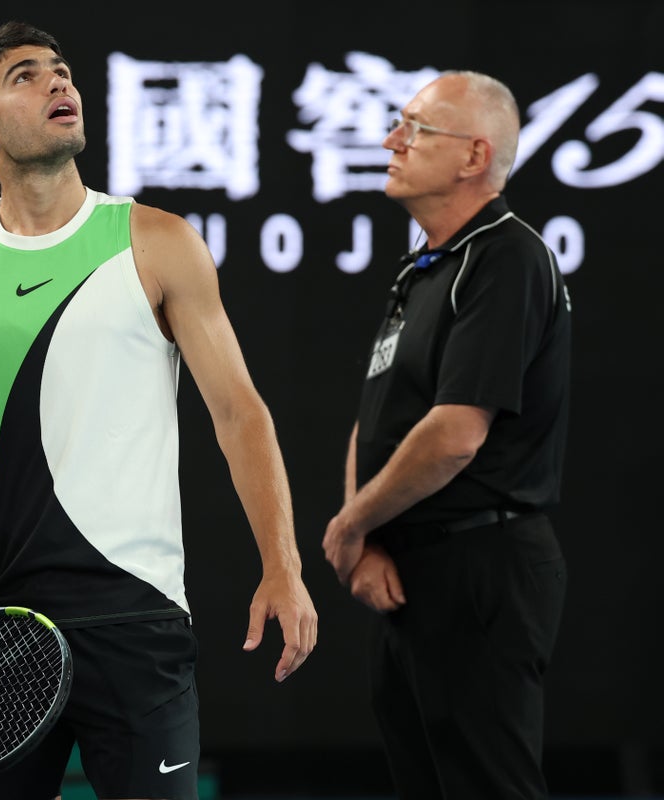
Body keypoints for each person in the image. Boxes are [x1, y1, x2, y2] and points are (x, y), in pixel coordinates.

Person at [0, 20, 317, 800]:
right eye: (25, 75)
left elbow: (239, 413)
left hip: (138, 623)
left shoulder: (158, 243)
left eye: (60, 69)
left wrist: (283, 565)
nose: (58, 81)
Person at [321, 70, 571, 799]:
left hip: (481, 567)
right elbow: (375, 418)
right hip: (413, 569)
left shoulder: (505, 255)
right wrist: (367, 537)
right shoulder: (426, 267)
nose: (391, 141)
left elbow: (456, 433)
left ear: (474, 156)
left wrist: (350, 526)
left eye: (415, 128)